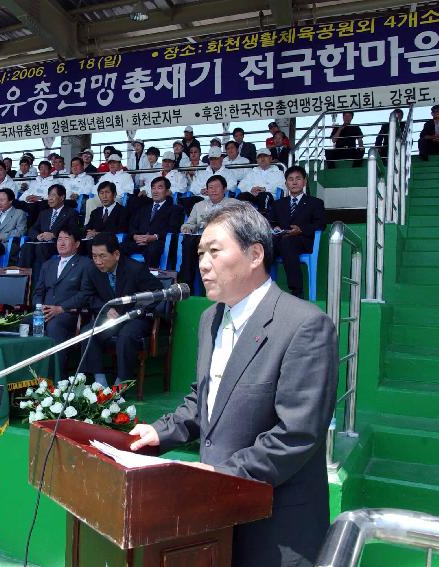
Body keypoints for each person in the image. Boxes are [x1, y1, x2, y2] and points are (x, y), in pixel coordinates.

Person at [128, 202, 338, 567]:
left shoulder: (305, 325)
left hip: (274, 526)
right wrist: (163, 432)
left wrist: (222, 476)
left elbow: (297, 434)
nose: (203, 264)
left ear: (255, 254)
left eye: (214, 251)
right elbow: (204, 398)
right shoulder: (212, 317)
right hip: (216, 517)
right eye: (199, 253)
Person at [78, 232, 162, 386]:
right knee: (87, 332)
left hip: (135, 318)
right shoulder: (92, 269)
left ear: (116, 254)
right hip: (111, 318)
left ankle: (122, 382)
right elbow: (87, 296)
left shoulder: (135, 269)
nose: (98, 261)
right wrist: (105, 309)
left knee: (126, 336)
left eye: (102, 256)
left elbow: (156, 293)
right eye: (94, 256)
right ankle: (99, 381)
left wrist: (135, 311)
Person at [31, 226, 94, 371]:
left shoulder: (85, 264)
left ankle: (56, 375)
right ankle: (26, 374)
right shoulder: (48, 265)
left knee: (55, 325)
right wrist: (39, 308)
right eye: (59, 239)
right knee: (24, 323)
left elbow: (85, 294)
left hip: (69, 313)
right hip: (44, 312)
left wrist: (61, 309)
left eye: (66, 239)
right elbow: (38, 292)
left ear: (77, 244)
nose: (61, 243)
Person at [270, 166, 326, 299]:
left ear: (305, 181)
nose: (294, 182)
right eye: (290, 179)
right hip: (279, 241)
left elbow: (321, 224)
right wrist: (275, 227)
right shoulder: (278, 204)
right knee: (262, 244)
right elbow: (270, 221)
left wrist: (301, 229)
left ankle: (297, 292)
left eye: (298, 179)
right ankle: (259, 290)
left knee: (287, 241)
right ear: (286, 184)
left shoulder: (315, 203)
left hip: (302, 240)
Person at [179, 175, 239, 294]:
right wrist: (188, 228)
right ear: (206, 190)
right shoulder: (199, 206)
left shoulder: (234, 204)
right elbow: (189, 223)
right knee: (188, 241)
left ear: (225, 189)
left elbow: (239, 223)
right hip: (200, 239)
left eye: (217, 187)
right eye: (210, 187)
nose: (213, 190)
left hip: (224, 239)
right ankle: (186, 285)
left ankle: (210, 289)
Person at [19, 184, 79, 282]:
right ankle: (23, 283)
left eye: (53, 195)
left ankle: (41, 282)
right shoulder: (44, 213)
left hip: (57, 244)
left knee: (40, 248)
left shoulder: (70, 213)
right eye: (49, 196)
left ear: (62, 197)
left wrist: (54, 235)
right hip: (41, 243)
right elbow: (32, 229)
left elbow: (74, 231)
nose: (50, 199)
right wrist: (37, 235)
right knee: (26, 247)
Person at [121, 176, 184, 268]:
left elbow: (173, 228)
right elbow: (132, 225)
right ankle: (123, 278)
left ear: (167, 191)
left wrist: (154, 237)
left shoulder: (175, 209)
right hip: (139, 241)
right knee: (117, 248)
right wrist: (135, 236)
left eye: (159, 187)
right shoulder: (143, 208)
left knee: (152, 250)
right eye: (153, 188)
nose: (155, 191)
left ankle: (149, 279)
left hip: (158, 243)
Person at [237, 148, 284, 216]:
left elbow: (282, 186)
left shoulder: (278, 172)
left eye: (265, 156)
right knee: (242, 195)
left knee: (264, 195)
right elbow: (241, 185)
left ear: (270, 158)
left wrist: (264, 189)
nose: (262, 159)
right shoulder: (252, 172)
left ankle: (263, 218)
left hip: (270, 197)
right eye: (259, 157)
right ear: (257, 160)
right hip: (254, 195)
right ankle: (239, 217)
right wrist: (251, 189)